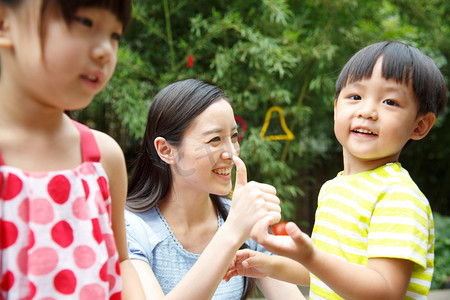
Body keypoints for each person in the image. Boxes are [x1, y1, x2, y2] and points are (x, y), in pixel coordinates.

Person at [225, 41, 448, 300]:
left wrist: (310, 256)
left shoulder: (398, 196)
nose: (367, 111)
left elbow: (384, 291)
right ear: (335, 108)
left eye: (389, 101)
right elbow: (330, 273)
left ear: (419, 126)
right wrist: (268, 265)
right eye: (355, 97)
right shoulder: (334, 188)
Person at [0, 0, 145, 299]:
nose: (105, 49)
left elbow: (121, 261)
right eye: (85, 22)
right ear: (4, 23)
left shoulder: (103, 157)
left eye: (115, 35)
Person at [125, 78, 306, 300]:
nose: (231, 153)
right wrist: (232, 232)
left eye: (233, 137)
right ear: (166, 150)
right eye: (214, 139)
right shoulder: (129, 228)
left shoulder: (242, 221)